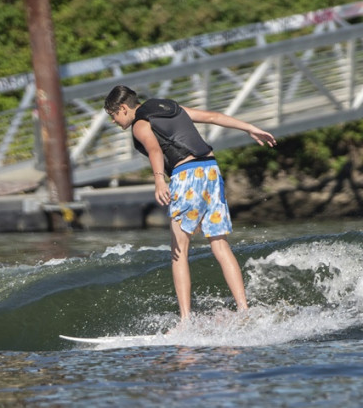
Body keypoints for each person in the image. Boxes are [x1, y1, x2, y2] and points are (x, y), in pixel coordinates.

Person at [104, 85, 277, 321]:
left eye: (113, 115)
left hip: (187, 176)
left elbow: (154, 150)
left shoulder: (140, 125)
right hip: (211, 171)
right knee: (219, 244)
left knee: (179, 252)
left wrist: (159, 181)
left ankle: (185, 320)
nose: (114, 121)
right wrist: (250, 128)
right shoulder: (171, 107)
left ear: (123, 108)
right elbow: (212, 117)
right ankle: (244, 310)